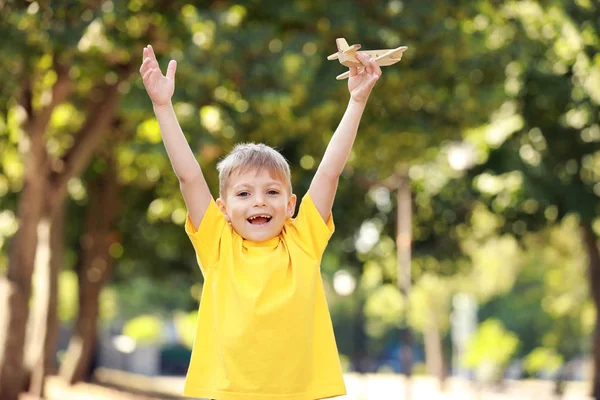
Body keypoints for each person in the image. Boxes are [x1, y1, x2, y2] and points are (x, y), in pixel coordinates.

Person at [140, 43, 381, 400]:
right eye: (243, 194)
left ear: (290, 204)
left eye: (271, 192)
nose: (258, 201)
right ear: (221, 208)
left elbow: (330, 172)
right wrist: (163, 106)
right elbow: (189, 177)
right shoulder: (217, 243)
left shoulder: (303, 239)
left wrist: (356, 102)